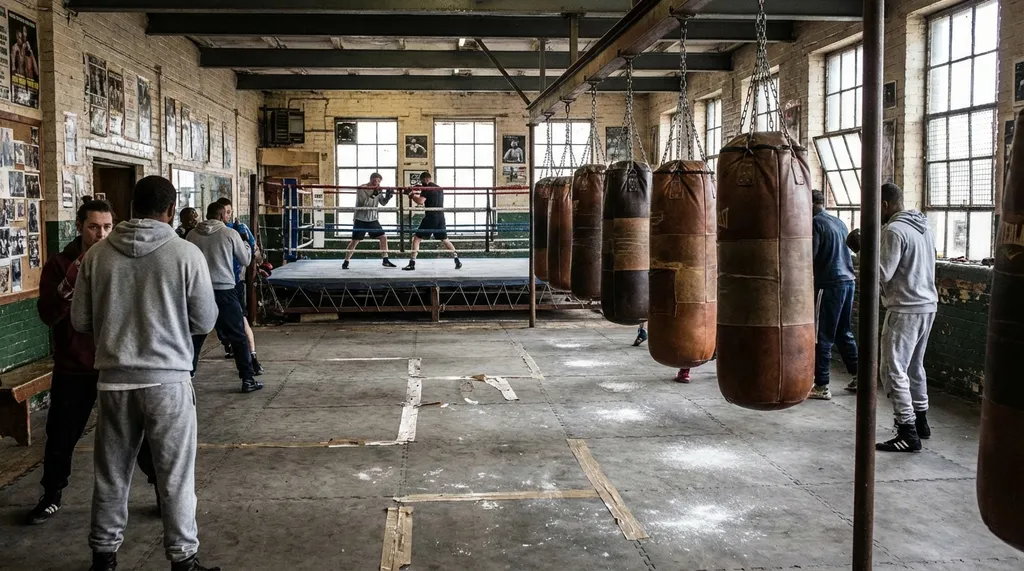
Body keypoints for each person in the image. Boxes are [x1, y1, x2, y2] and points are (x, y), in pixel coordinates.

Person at [70, 176, 220, 571]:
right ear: (171, 210)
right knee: (175, 477)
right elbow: (204, 319)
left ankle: (103, 557)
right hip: (168, 382)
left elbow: (81, 320)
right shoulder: (186, 254)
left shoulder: (97, 256)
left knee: (111, 475)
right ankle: (183, 559)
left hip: (114, 382)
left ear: (131, 206)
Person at [27, 200, 159, 526]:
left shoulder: (120, 261)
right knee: (61, 436)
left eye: (106, 227)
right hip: (75, 367)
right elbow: (48, 314)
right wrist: (71, 281)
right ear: (78, 227)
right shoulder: (60, 264)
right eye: (93, 227)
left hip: (117, 364)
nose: (100, 234)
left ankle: (163, 491)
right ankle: (51, 495)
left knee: (141, 435)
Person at [875, 183, 938, 453]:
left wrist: (861, 252)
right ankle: (921, 420)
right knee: (915, 366)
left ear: (886, 205)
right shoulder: (924, 228)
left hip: (904, 308)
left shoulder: (893, 230)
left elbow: (882, 273)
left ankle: (907, 431)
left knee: (893, 369)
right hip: (927, 305)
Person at [188, 201, 262, 393]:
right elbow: (246, 259)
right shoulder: (230, 233)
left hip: (199, 290)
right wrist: (246, 243)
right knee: (238, 336)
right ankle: (247, 379)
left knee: (197, 335)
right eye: (227, 214)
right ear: (221, 216)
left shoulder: (192, 234)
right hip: (225, 290)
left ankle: (187, 378)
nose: (229, 217)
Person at [809, 189, 858, 400]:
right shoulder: (838, 222)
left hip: (829, 284)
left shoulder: (815, 224)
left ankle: (821, 385)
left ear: (810, 203)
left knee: (822, 334)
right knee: (843, 331)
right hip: (848, 282)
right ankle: (859, 377)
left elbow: (810, 255)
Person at [213, 197, 263, 375]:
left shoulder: (238, 230)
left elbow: (253, 253)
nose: (227, 216)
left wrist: (255, 257)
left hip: (232, 283)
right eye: (224, 213)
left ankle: (252, 361)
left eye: (229, 212)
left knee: (240, 324)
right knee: (213, 324)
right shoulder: (204, 234)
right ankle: (230, 347)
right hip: (212, 286)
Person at [403, 171, 461, 271]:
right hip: (440, 217)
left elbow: (420, 201)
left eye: (423, 182)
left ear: (425, 179)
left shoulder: (427, 188)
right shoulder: (439, 188)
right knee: (445, 239)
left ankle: (412, 263)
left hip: (430, 217)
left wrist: (411, 195)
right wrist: (417, 187)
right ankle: (457, 259)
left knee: (417, 238)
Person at [343, 172, 396, 270]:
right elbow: (363, 204)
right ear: (370, 179)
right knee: (355, 241)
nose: (376, 183)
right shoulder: (362, 188)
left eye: (378, 181)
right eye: (375, 180)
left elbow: (383, 203)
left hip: (372, 219)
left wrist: (388, 197)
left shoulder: (378, 189)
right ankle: (346, 261)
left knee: (383, 237)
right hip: (360, 219)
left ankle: (385, 260)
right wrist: (373, 194)